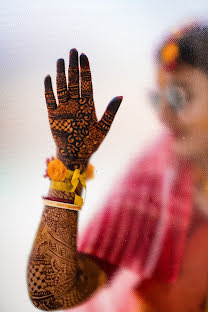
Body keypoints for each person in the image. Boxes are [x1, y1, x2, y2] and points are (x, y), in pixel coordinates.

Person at [26, 19, 208, 311]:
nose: (163, 116)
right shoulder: (156, 176)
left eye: (179, 97)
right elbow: (51, 293)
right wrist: (69, 165)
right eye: (158, 100)